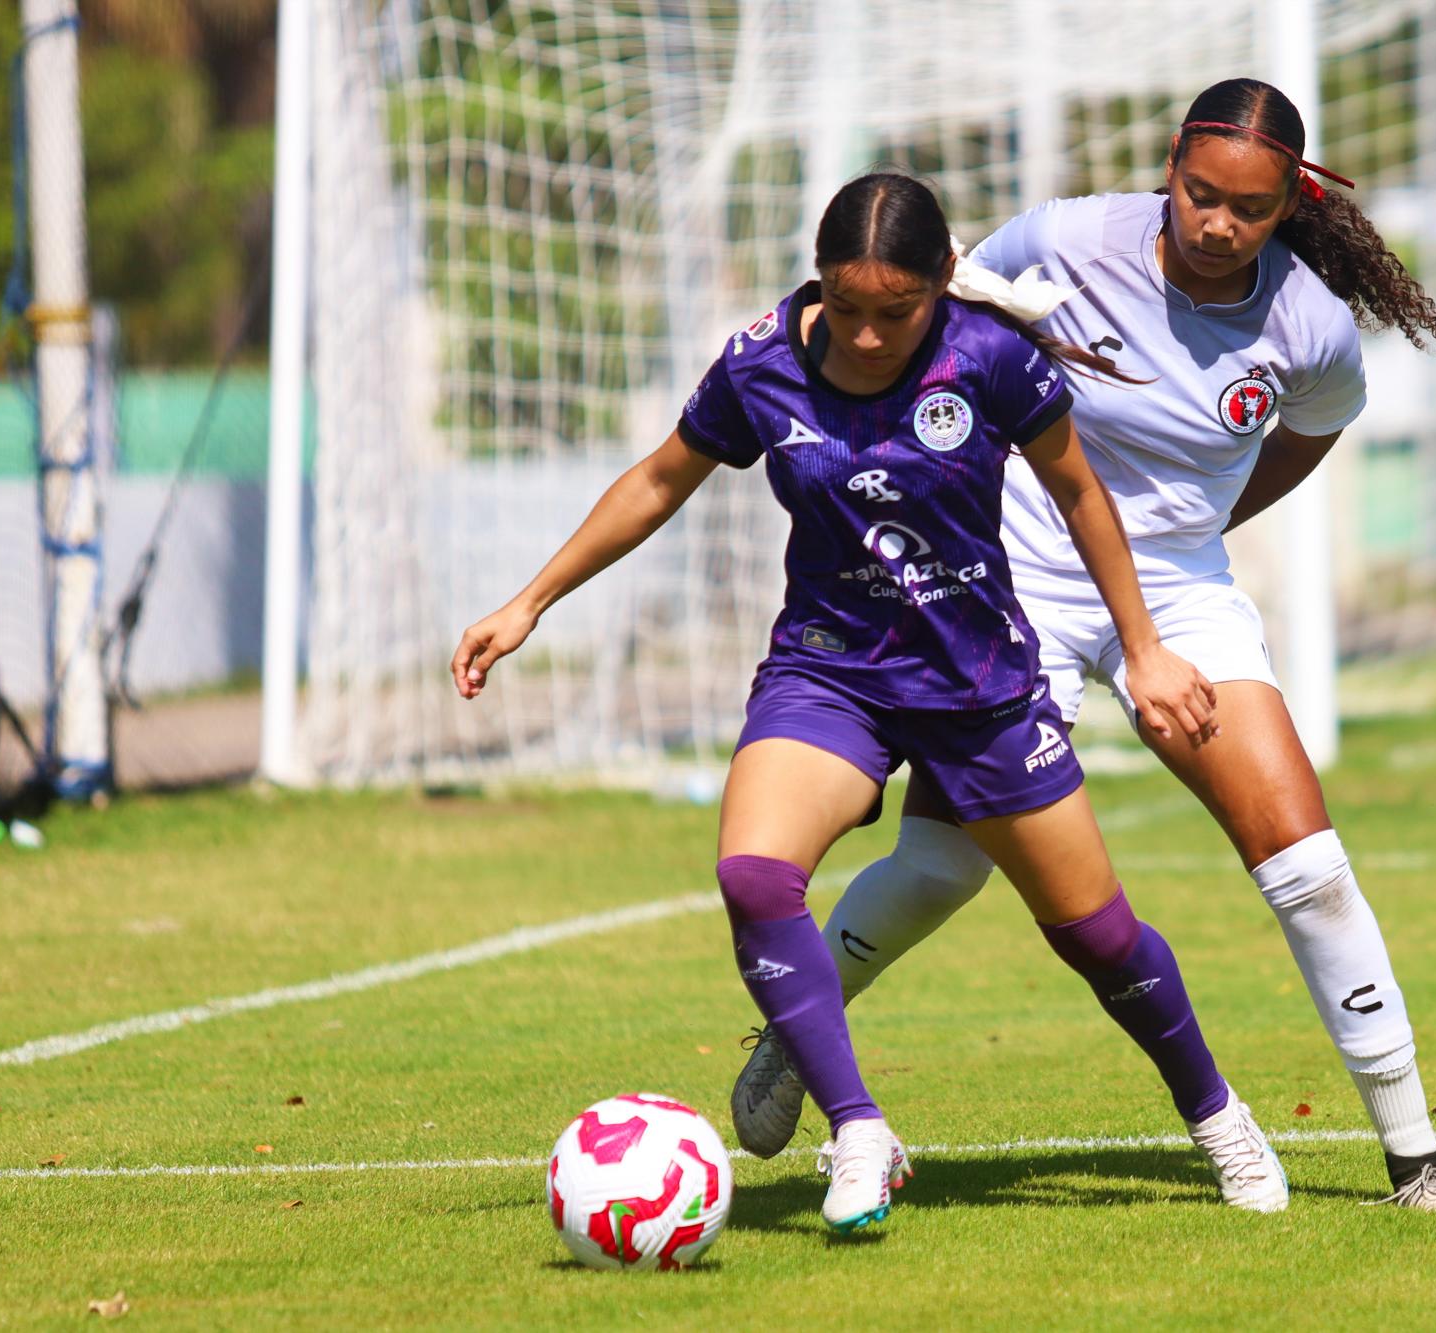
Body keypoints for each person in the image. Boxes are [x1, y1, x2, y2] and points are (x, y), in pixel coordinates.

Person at [453, 171, 1290, 1236]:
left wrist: (1144, 650)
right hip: (827, 670)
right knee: (753, 873)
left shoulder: (986, 358)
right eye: (843, 309)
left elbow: (1081, 491)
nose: (862, 336)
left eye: (891, 314)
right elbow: (661, 478)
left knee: (1097, 935)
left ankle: (1218, 1117)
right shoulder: (761, 364)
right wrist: (529, 601)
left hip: (974, 683)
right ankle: (856, 1130)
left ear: (942, 283)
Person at [734, 78, 1436, 1213]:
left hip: (1177, 590)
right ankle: (799, 1030)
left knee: (1306, 868)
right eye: (1197, 194)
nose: (1216, 223)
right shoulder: (1068, 236)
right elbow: (930, 324)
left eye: (1247, 207)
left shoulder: (1310, 329)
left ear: (1287, 205)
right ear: (1168, 167)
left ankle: (1414, 1155)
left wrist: (1197, 532)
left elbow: (1312, 432)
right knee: (942, 867)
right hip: (1013, 573)